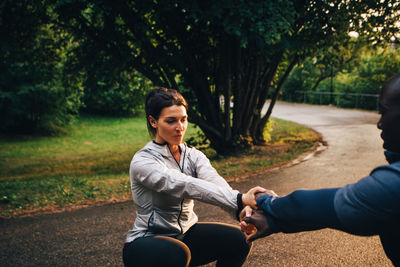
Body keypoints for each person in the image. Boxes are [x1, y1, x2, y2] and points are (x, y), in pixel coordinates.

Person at [240, 73, 400, 266]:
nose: (379, 123)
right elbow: (331, 215)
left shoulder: (393, 183)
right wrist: (275, 223)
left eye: (383, 112)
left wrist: (263, 199)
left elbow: (329, 205)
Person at [123, 87, 265, 267]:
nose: (180, 127)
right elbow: (183, 184)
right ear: (153, 121)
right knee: (177, 252)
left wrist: (241, 209)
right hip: (145, 244)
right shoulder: (143, 162)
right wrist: (239, 199)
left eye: (183, 120)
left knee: (238, 240)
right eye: (171, 121)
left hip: (185, 236)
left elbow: (214, 181)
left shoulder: (193, 155)